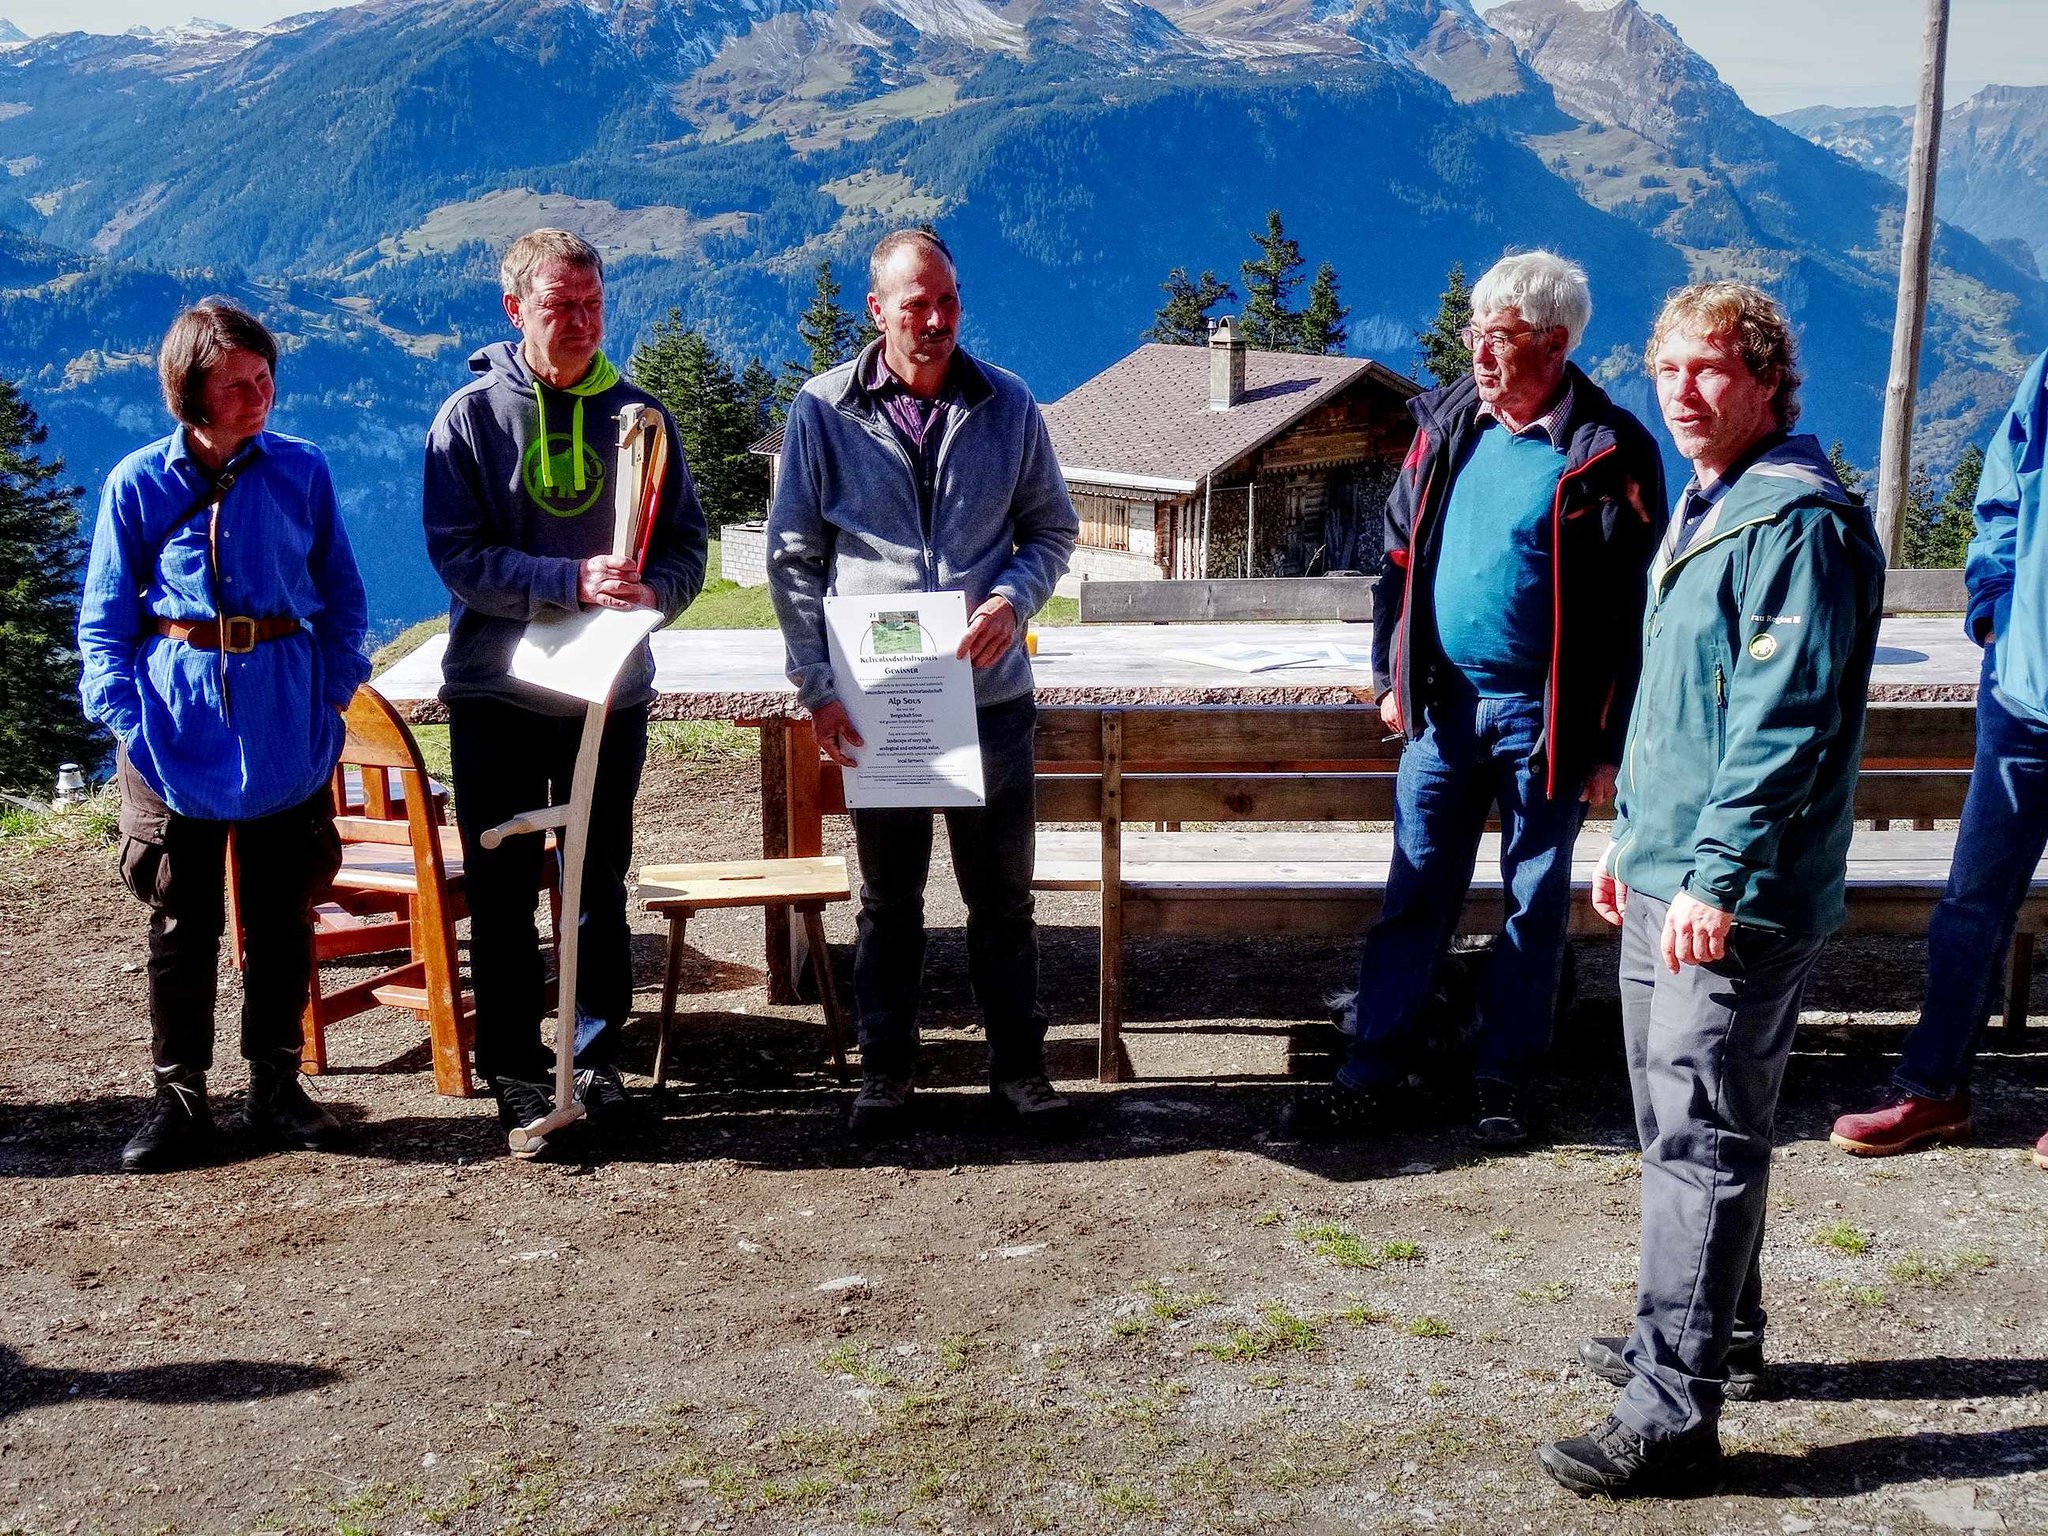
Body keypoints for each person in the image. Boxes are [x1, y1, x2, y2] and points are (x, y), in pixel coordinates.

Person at [1538, 282, 1885, 1497]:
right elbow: (1674, 707)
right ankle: (1711, 1332)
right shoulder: (1710, 504)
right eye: (1666, 369)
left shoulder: (1797, 524)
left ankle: (1671, 1415)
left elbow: (1780, 725)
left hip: (1730, 894)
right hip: (1665, 872)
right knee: (1676, 1121)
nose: (1680, 393)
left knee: (1697, 1138)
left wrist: (1714, 873)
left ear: (1766, 382)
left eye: (1709, 370)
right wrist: (1628, 842)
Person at [1286, 250, 1664, 1147]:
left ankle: (1506, 1077)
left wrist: (1610, 743)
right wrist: (1389, 676)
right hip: (1442, 710)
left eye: (1496, 338)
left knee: (1536, 901)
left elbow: (1632, 613)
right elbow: (1398, 562)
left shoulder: (1610, 452)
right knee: (1414, 894)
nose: (1478, 355)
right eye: (1474, 334)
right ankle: (1372, 1069)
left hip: (1549, 718)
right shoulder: (1450, 425)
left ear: (1555, 343)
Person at [766, 228, 1079, 1137]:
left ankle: (1021, 1073)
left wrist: (1014, 604)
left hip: (990, 698)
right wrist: (816, 685)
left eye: (947, 301)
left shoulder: (1009, 405)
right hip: (879, 701)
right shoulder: (823, 412)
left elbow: (1050, 532)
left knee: (1002, 900)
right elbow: (792, 558)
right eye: (916, 305)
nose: (936, 321)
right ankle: (886, 1075)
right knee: (889, 899)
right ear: (878, 312)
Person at [422, 228, 707, 1146]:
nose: (581, 323)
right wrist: (569, 581)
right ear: (515, 310)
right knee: (503, 887)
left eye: (592, 305)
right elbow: (459, 561)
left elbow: (686, 549)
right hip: (495, 691)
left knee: (595, 881)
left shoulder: (642, 418)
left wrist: (654, 594)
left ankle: (592, 1058)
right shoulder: (467, 418)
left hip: (608, 695)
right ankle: (513, 1069)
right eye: (559, 307)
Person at [77, 298, 371, 1172]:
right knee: (181, 917)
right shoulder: (138, 483)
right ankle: (178, 1100)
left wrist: (330, 694)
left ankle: (276, 1090)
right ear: (189, 392)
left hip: (286, 719)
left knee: (283, 916)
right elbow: (102, 628)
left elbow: (343, 596)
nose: (258, 394)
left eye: (264, 376)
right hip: (176, 729)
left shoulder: (303, 472)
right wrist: (135, 727)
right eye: (235, 383)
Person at [1829, 348, 2048, 1161]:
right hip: (2025, 688)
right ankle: (1933, 1092)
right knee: (1970, 907)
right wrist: (1993, 611)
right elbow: (2004, 499)